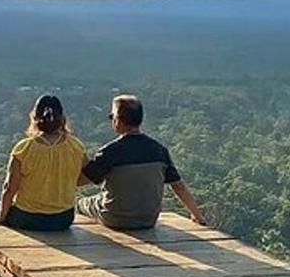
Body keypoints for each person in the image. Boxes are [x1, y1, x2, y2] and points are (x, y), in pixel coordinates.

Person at [77, 94, 206, 229]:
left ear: (118, 120)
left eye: (112, 116)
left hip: (115, 218)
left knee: (82, 203)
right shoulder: (159, 151)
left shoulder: (110, 152)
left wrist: (82, 157)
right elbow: (178, 186)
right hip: (148, 220)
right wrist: (197, 216)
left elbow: (81, 181)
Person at [0, 94, 87, 231]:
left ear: (34, 118)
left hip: (27, 218)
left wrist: (1, 216)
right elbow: (87, 175)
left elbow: (9, 188)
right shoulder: (76, 146)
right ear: (62, 119)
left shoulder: (24, 148)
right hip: (63, 218)